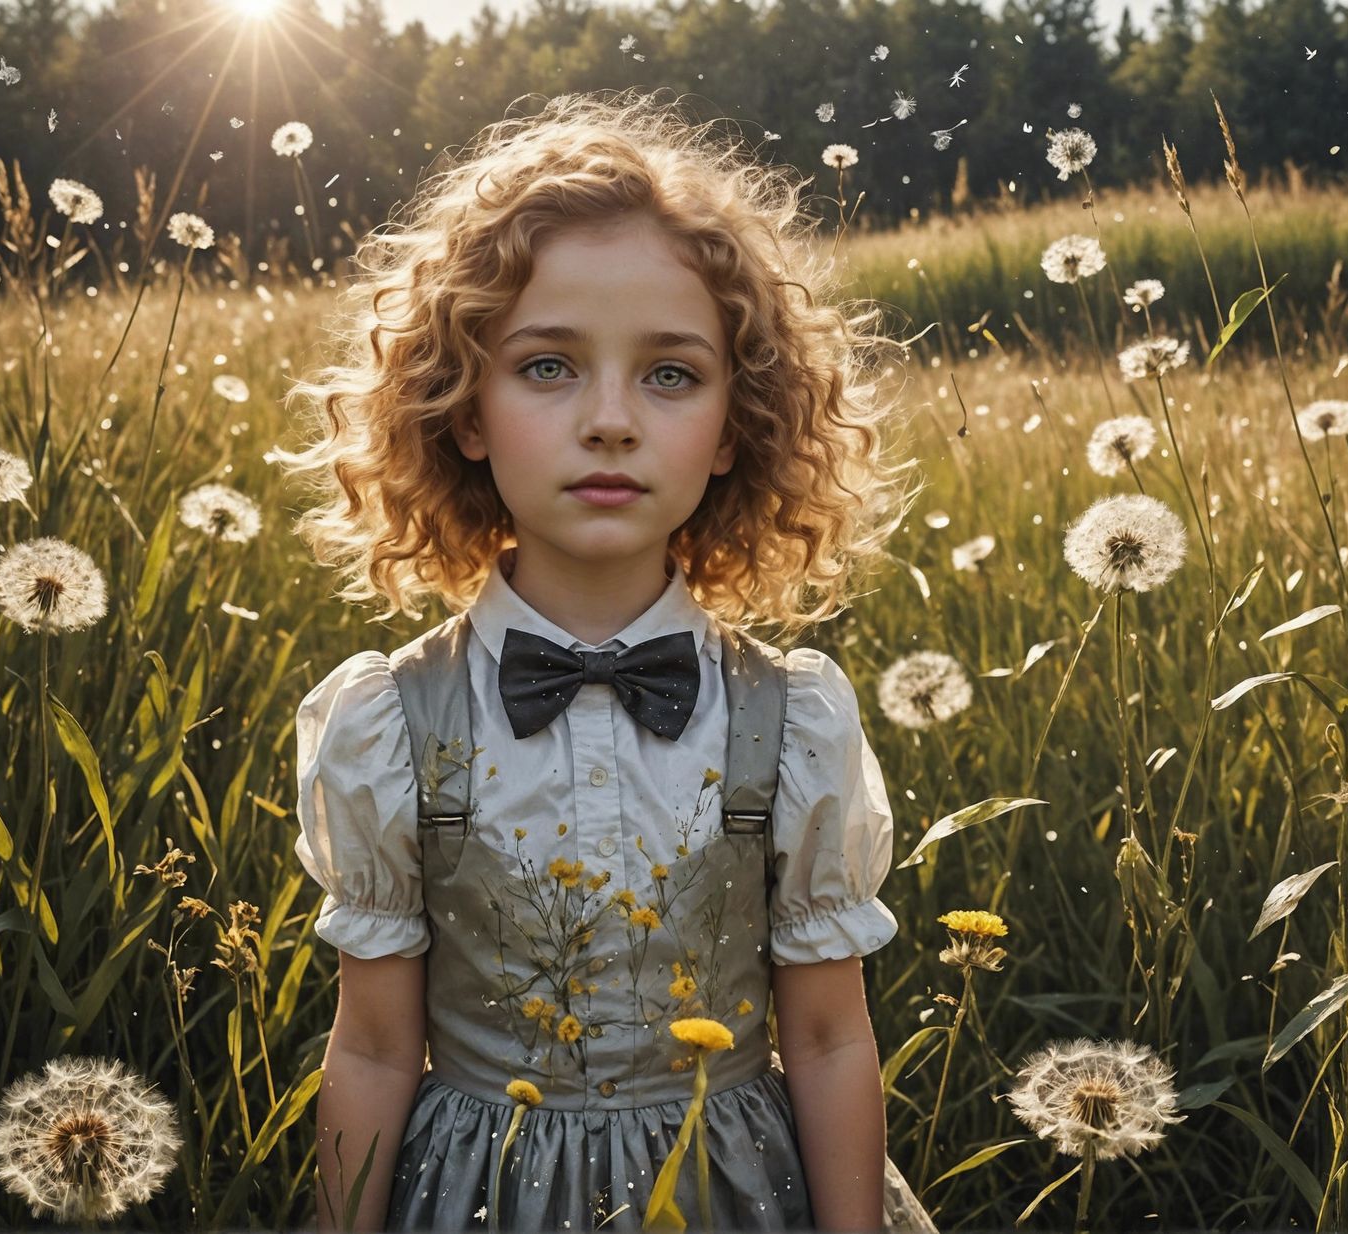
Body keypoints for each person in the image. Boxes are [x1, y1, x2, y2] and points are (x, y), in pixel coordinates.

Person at [281, 87, 924, 1233]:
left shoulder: (793, 719)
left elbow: (827, 1037)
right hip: (478, 1197)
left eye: (670, 373)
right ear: (463, 406)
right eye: (548, 367)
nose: (612, 420)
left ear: (736, 425)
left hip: (734, 1193)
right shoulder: (389, 720)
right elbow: (376, 1048)